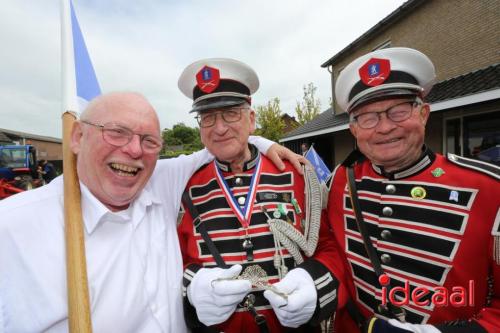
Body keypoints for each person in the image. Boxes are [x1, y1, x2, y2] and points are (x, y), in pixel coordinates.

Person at [0, 92, 303, 332]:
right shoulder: (11, 226)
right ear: (77, 136)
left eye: (149, 140)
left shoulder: (158, 180)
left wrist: (261, 141)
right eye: (117, 133)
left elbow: (221, 143)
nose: (134, 150)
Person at [327, 47, 500, 332]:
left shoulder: (489, 189)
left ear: (423, 113)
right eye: (368, 117)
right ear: (354, 130)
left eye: (398, 111)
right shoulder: (340, 183)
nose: (383, 127)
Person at [177, 58, 346, 333]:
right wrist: (194, 288)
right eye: (207, 117)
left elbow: (329, 247)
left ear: (251, 119)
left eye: (231, 113)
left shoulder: (297, 176)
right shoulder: (186, 186)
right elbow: (175, 260)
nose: (219, 128)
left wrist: (313, 285)